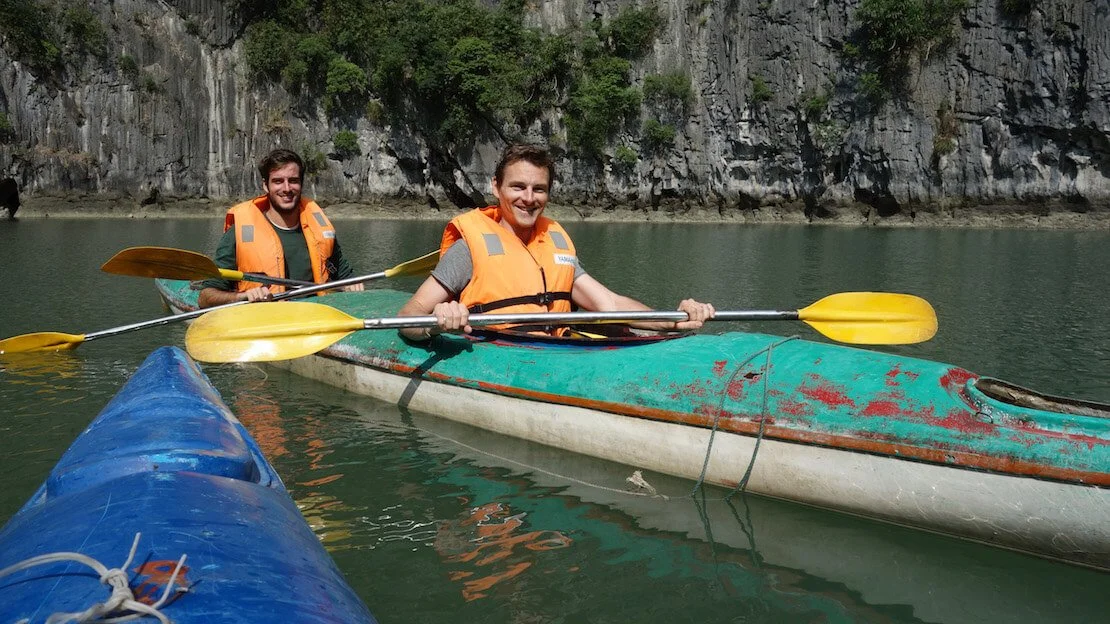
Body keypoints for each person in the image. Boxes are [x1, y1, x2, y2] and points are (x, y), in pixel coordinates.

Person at [397, 143, 715, 341]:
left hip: (556, 349)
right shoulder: (469, 248)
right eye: (518, 187)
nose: (528, 198)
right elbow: (408, 316)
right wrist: (437, 323)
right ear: (496, 187)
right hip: (494, 351)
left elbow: (610, 304)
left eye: (539, 189)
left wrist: (674, 320)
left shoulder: (557, 247)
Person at [198, 148, 363, 308]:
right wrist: (243, 296)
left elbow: (346, 278)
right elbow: (206, 297)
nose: (286, 188)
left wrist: (351, 285)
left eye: (293, 181)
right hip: (264, 318)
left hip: (316, 317)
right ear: (266, 186)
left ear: (301, 184)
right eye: (278, 181)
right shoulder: (239, 233)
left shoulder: (320, 232)